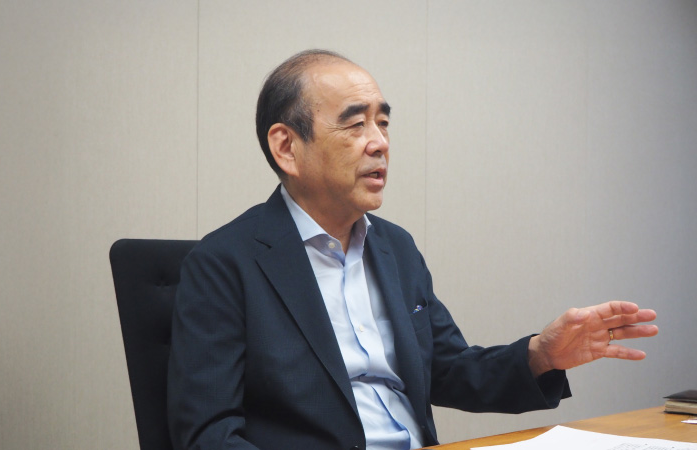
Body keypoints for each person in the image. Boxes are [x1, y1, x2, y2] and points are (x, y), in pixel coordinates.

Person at [167, 49, 658, 450]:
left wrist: (540, 355)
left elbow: (448, 370)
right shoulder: (224, 264)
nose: (379, 143)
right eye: (355, 125)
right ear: (286, 147)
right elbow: (207, 434)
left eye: (383, 123)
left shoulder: (394, 247)